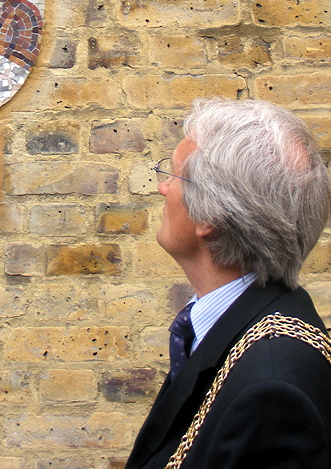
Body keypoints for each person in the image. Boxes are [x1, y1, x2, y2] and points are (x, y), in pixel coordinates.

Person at [126, 97, 331, 469]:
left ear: (211, 215)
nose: (163, 188)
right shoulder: (242, 330)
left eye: (173, 175)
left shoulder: (271, 389)